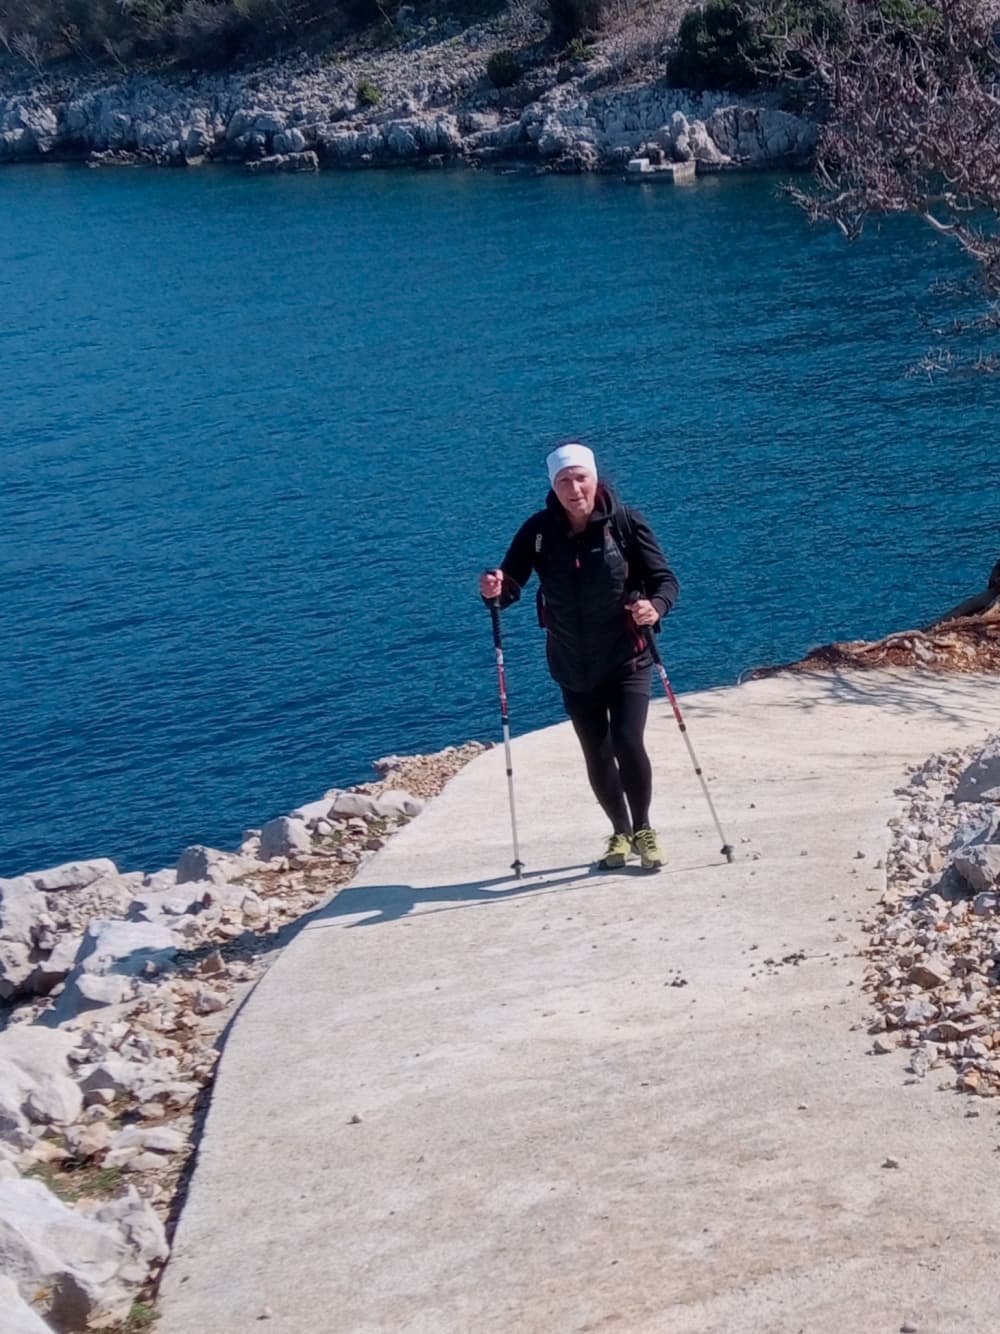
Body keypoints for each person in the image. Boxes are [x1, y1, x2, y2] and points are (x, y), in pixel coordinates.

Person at [479, 443, 679, 871]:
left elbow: (664, 580)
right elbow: (511, 583)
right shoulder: (538, 531)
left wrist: (655, 607)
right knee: (596, 750)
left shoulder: (625, 524)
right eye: (564, 481)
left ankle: (643, 828)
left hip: (629, 656)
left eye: (580, 478)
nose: (574, 488)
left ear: (594, 479)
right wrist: (496, 587)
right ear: (554, 486)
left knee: (627, 741)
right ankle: (620, 833)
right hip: (572, 663)